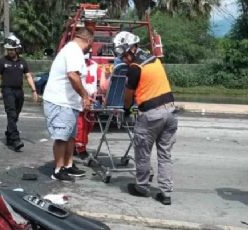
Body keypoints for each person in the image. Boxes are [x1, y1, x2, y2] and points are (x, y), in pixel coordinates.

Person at [113, 31, 178, 205]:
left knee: (142, 152)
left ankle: (142, 187)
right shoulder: (153, 58)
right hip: (170, 112)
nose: (124, 60)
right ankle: (165, 193)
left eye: (124, 55)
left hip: (151, 115)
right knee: (165, 154)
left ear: (132, 49)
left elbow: (128, 95)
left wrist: (126, 110)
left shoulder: (135, 68)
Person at [43, 28, 94, 182]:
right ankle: (58, 169)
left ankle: (68, 164)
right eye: (91, 43)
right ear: (88, 40)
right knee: (62, 137)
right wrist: (85, 95)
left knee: (71, 137)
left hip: (69, 103)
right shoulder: (73, 51)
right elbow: (72, 75)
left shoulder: (74, 51)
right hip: (60, 101)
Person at [0, 35, 38, 152]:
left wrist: (34, 90)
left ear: (17, 49)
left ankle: (9, 134)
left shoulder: (23, 62)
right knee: (11, 114)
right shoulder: (3, 61)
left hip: (19, 91)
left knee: (15, 116)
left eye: (12, 49)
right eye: (8, 50)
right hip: (7, 90)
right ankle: (16, 140)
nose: (10, 52)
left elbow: (28, 76)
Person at [74, 53, 107, 160]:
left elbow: (101, 85)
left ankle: (78, 146)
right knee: (81, 125)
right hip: (80, 98)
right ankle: (80, 148)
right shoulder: (76, 65)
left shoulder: (95, 65)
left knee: (88, 124)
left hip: (91, 98)